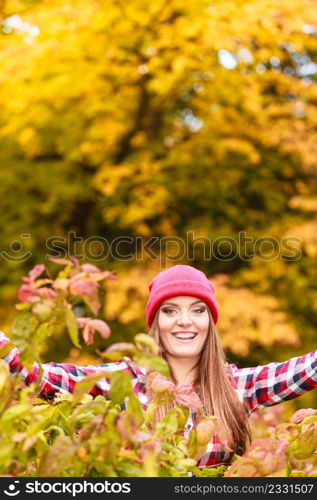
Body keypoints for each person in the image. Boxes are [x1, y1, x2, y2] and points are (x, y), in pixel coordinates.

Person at [0, 264, 317, 470]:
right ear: (155, 323)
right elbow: (37, 376)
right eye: (170, 310)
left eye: (197, 310)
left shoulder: (236, 387)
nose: (184, 321)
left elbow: (307, 370)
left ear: (210, 322)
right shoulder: (123, 382)